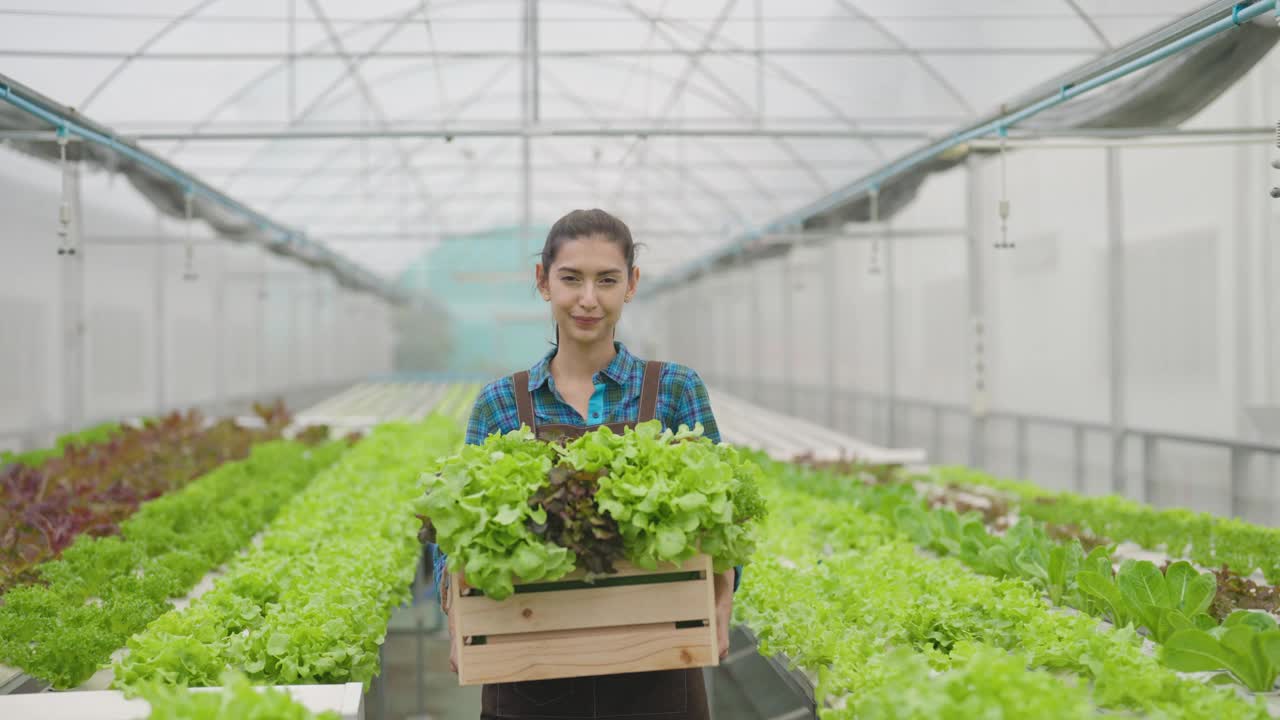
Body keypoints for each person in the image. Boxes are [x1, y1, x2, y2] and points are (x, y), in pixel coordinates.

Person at [431, 208, 738, 720]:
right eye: (571, 279)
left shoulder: (675, 389)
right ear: (543, 282)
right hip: (528, 668)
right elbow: (456, 532)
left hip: (657, 667)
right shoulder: (502, 403)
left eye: (607, 280)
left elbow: (722, 519)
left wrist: (722, 602)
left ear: (631, 285)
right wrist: (457, 610)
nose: (588, 299)